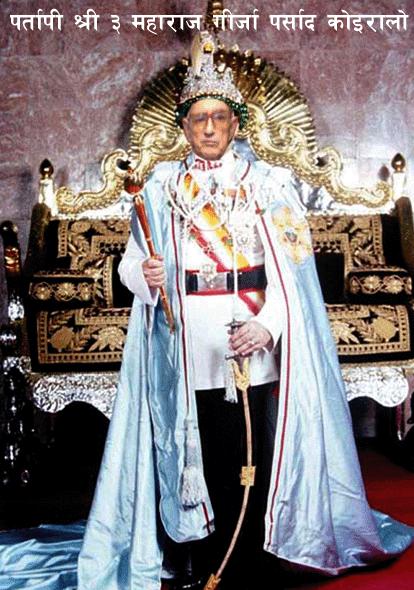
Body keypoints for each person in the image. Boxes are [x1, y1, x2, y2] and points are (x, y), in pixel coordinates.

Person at [77, 32, 413, 590]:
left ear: (236, 123)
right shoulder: (159, 189)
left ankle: (251, 556)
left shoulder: (270, 185)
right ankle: (200, 555)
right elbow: (131, 263)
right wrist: (144, 276)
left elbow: (294, 271)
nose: (208, 128)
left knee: (250, 449)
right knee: (197, 451)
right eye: (198, 119)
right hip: (187, 341)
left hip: (249, 333)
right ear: (184, 126)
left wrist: (267, 326)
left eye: (219, 118)